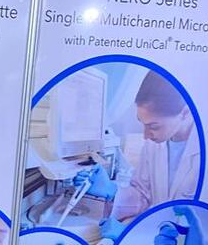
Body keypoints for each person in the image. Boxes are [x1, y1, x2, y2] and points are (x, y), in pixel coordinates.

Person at [76, 70, 199, 226]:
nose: (145, 136)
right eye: (142, 123)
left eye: (154, 126)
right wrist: (111, 190)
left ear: (185, 113)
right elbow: (143, 196)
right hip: (153, 233)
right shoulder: (153, 145)